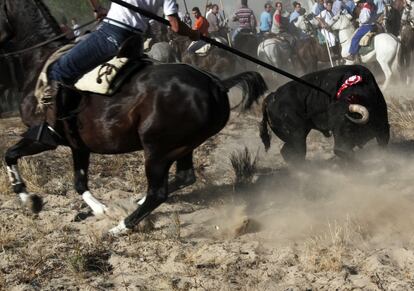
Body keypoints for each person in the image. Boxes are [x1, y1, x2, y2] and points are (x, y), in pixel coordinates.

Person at [42, 0, 200, 129]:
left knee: (59, 69)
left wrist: (98, 9)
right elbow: (176, 26)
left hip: (111, 34)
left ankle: (53, 129)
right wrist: (193, 34)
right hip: (134, 42)